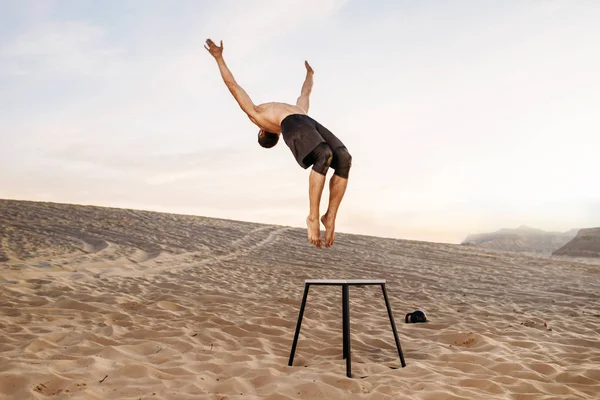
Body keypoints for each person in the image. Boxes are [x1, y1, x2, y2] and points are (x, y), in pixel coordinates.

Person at [205, 38, 352, 248]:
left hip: (307, 122)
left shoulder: (297, 110)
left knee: (344, 158)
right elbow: (233, 86)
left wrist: (310, 75)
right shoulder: (258, 115)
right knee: (323, 155)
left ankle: (330, 217)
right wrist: (219, 58)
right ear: (262, 129)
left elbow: (305, 93)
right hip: (293, 123)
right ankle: (313, 217)